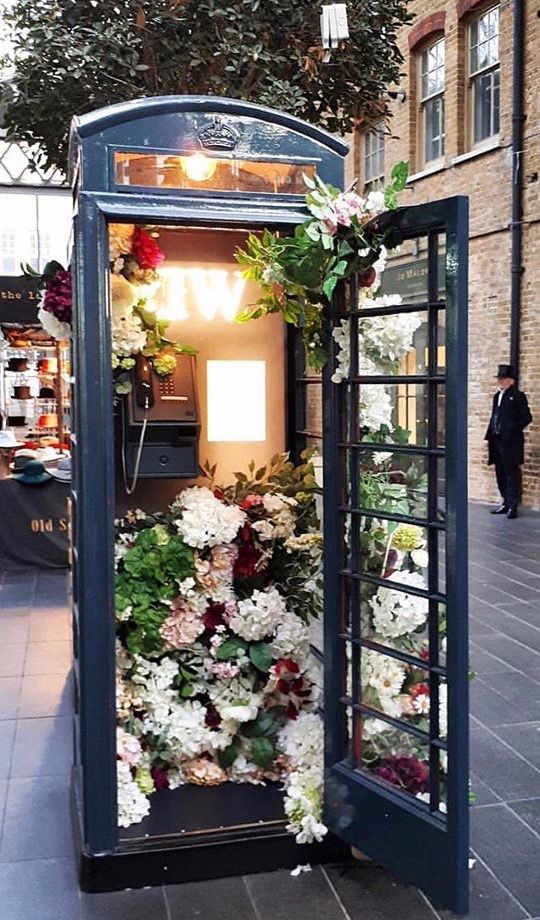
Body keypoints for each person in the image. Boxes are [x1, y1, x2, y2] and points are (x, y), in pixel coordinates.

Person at [485, 364, 532, 518]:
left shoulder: (517, 396)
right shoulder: (497, 396)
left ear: (511, 381)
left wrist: (513, 429)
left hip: (511, 442)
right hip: (497, 440)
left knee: (512, 472)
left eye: (503, 379)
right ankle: (505, 502)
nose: (500, 381)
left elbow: (527, 417)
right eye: (499, 379)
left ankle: (513, 505)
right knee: (500, 472)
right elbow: (495, 416)